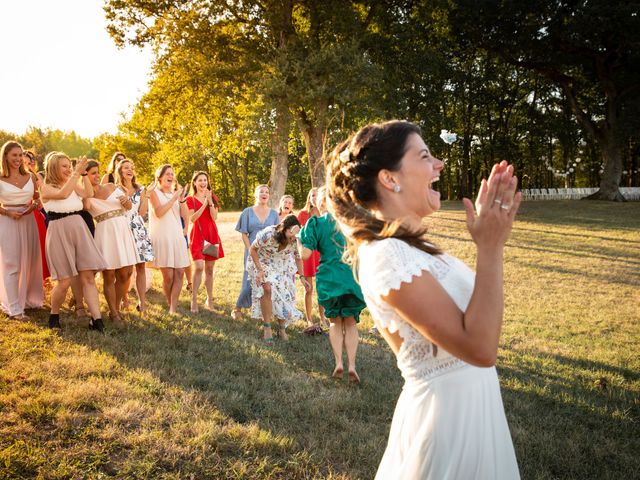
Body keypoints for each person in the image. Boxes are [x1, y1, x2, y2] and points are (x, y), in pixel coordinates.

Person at [326, 120, 521, 479]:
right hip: (448, 425)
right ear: (390, 178)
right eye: (425, 156)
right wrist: (490, 247)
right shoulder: (387, 256)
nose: (439, 165)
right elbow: (480, 348)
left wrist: (489, 239)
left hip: (475, 410)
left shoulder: (416, 251)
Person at [298, 186, 366, 381]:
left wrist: (298, 240)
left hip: (328, 278)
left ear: (319, 203)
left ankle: (338, 363)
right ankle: (352, 365)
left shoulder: (315, 224)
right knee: (351, 322)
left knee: (335, 323)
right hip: (351, 276)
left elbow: (305, 254)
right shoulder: (351, 221)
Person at [40, 153, 106, 331]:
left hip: (79, 227)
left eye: (70, 165)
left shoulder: (73, 182)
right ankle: (54, 316)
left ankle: (97, 320)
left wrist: (83, 175)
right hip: (58, 230)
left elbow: (88, 193)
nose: (69, 169)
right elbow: (62, 194)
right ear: (53, 167)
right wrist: (76, 173)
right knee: (64, 280)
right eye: (64, 166)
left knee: (88, 276)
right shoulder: (45, 188)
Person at [85, 161, 138, 327]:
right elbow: (86, 207)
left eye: (97, 172)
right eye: (92, 173)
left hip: (122, 229)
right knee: (109, 275)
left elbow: (129, 207)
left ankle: (114, 307)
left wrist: (127, 202)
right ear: (84, 176)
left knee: (126, 273)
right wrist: (84, 187)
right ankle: (114, 313)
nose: (97, 175)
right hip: (105, 232)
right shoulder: (85, 196)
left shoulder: (111, 186)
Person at [247, 214, 309, 343]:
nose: (293, 237)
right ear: (283, 229)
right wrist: (259, 270)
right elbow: (252, 250)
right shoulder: (268, 234)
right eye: (291, 233)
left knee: (283, 293)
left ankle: (281, 329)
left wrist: (302, 277)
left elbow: (298, 257)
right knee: (267, 288)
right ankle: (267, 328)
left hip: (282, 265)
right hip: (262, 261)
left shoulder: (296, 240)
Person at [0, 141, 44, 318]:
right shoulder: (1, 178)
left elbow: (38, 198)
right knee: (12, 263)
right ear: (6, 157)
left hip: (28, 220)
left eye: (20, 155)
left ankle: (29, 299)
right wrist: (7, 212)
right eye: (14, 155)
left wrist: (34, 206)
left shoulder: (31, 177)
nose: (18, 159)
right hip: (7, 221)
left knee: (30, 261)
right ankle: (14, 308)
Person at [231, 184, 279, 320]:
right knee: (248, 281)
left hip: (268, 253)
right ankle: (237, 308)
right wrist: (250, 249)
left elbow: (277, 234)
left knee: (267, 282)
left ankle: (265, 311)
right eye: (261, 192)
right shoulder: (247, 212)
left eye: (267, 192)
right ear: (255, 195)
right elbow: (244, 233)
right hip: (251, 250)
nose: (264, 194)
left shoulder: (274, 214)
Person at [148, 164, 190, 314]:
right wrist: (173, 198)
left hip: (177, 236)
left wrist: (182, 199)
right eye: (167, 174)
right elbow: (159, 212)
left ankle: (173, 307)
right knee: (168, 276)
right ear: (159, 177)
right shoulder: (153, 192)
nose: (171, 176)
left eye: (172, 174)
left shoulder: (176, 194)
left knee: (179, 272)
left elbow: (185, 215)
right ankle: (169, 301)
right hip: (162, 237)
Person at [116, 158, 154, 315]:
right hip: (121, 227)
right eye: (126, 167)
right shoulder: (115, 188)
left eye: (131, 167)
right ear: (120, 171)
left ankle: (142, 303)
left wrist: (147, 196)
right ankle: (121, 300)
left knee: (140, 267)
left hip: (137, 227)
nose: (129, 170)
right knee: (124, 270)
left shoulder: (141, 189)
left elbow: (142, 213)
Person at [186, 171, 224, 313]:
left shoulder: (213, 197)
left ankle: (209, 298)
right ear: (194, 183)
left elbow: (214, 217)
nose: (203, 183)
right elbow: (192, 219)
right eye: (200, 180)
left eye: (205, 180)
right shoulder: (190, 199)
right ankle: (194, 299)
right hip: (197, 236)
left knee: (209, 269)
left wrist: (209, 201)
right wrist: (203, 204)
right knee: (199, 267)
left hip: (211, 235)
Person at [296, 187, 327, 329]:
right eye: (312, 195)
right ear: (309, 198)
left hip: (322, 253)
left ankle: (323, 317)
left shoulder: (325, 214)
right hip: (308, 254)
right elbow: (297, 235)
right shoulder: (303, 214)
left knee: (322, 288)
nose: (314, 198)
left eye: (317, 195)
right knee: (309, 289)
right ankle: (309, 318)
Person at [22, 149, 50, 283]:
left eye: (30, 162)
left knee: (39, 249)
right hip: (17, 214)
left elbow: (40, 196)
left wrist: (38, 202)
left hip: (35, 214)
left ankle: (43, 281)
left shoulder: (35, 176)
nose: (27, 164)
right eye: (24, 162)